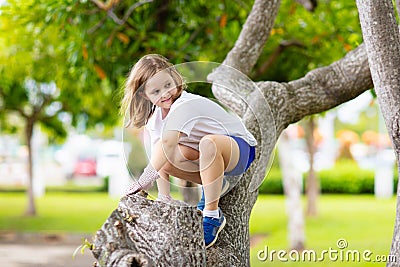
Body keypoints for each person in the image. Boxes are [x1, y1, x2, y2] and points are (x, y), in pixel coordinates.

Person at [121, 54, 256, 248]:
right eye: (156, 91)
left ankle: (212, 215)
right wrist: (164, 198)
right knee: (163, 156)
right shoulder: (155, 118)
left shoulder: (185, 104)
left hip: (239, 150)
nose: (165, 93)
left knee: (208, 143)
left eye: (168, 85)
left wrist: (143, 180)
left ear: (175, 78)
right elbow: (160, 155)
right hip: (210, 160)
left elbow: (168, 143)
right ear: (144, 95)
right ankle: (218, 183)